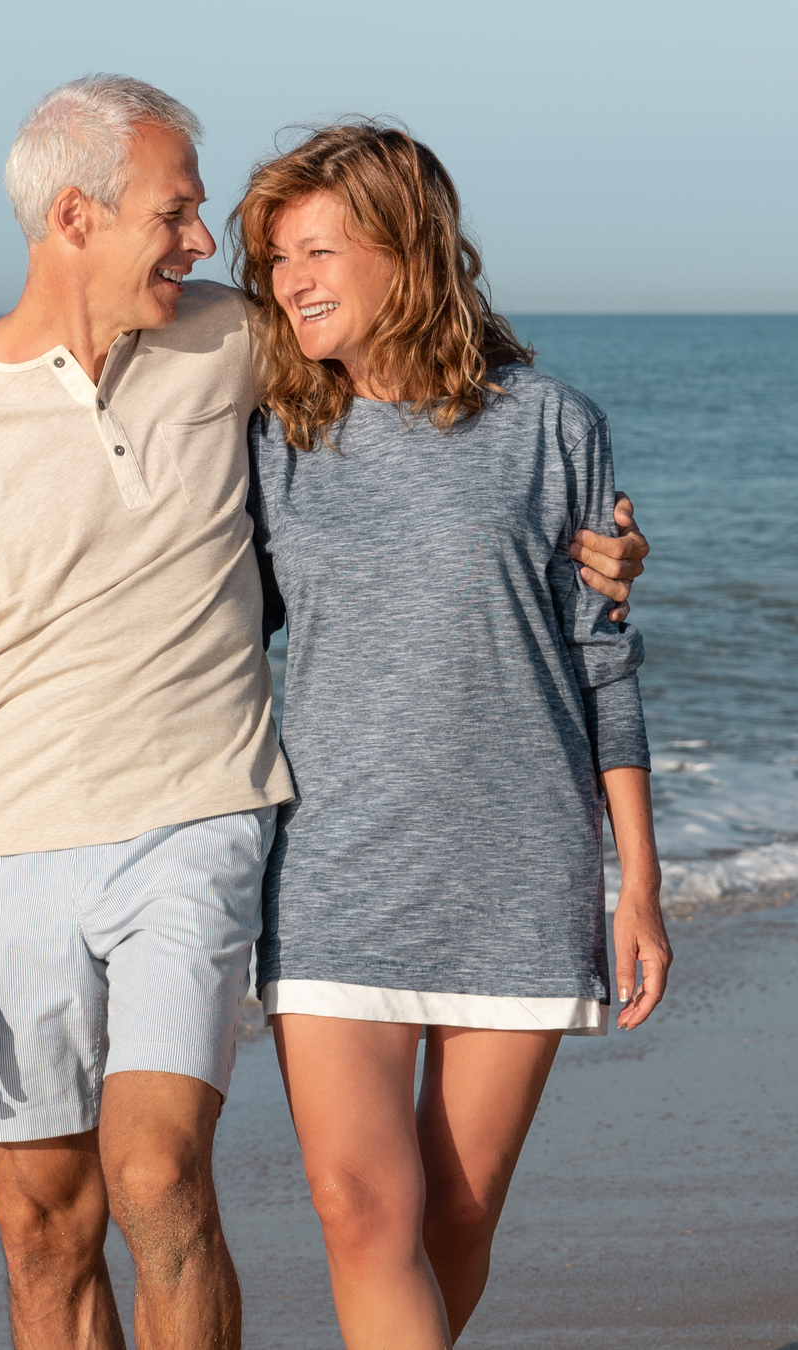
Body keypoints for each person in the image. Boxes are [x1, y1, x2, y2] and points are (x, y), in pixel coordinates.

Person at [0, 79, 647, 1349]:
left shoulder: (243, 344)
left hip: (220, 824)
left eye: (251, 236)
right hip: (68, 843)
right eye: (180, 214)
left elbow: (460, 487)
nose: (214, 249)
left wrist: (588, 555)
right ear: (74, 214)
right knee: (56, 1215)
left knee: (214, 1182)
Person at [235, 122, 670, 1348]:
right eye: (275, 257)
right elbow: (196, 629)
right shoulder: (275, 437)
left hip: (514, 867)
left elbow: (602, 654)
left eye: (317, 247)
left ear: (404, 246)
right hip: (330, 868)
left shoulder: (550, 428)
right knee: (357, 1209)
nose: (290, 279)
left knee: (455, 1222)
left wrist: (635, 881)